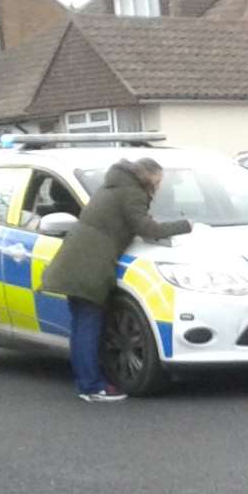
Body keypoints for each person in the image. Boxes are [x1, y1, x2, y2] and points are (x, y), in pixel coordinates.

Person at [41, 157, 191, 402]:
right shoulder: (132, 193)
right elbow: (147, 228)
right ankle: (92, 387)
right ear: (150, 176)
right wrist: (186, 225)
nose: (161, 186)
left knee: (81, 326)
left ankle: (86, 382)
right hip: (90, 266)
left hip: (75, 261)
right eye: (160, 180)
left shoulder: (112, 187)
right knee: (89, 325)